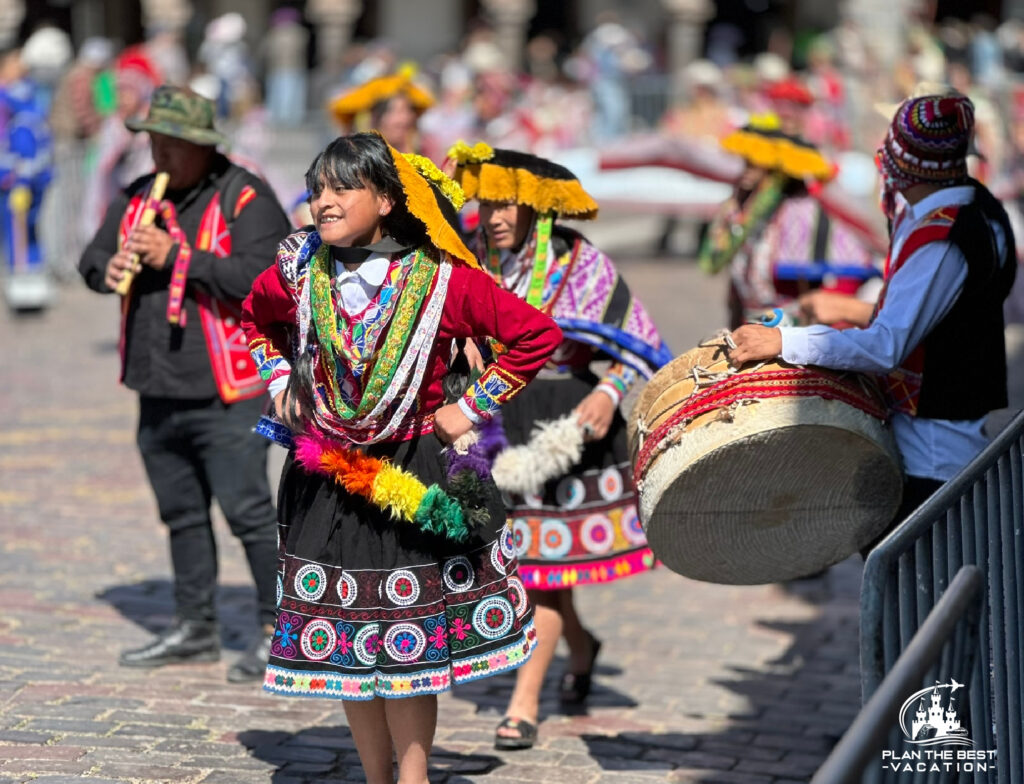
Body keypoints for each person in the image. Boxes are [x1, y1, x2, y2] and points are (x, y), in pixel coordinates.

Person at [240, 132, 562, 784]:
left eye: (341, 189)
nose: (323, 203)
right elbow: (253, 319)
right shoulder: (300, 271)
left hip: (413, 475)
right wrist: (283, 386)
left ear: (386, 199)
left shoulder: (443, 281)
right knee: (353, 653)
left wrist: (469, 411)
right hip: (326, 477)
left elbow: (535, 335)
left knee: (407, 649)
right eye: (316, 190)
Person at [448, 142, 669, 751]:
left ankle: (524, 701)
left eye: (509, 202)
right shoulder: (471, 257)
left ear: (537, 208)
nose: (494, 213)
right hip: (492, 421)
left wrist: (608, 390)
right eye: (487, 199)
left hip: (560, 426)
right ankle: (580, 645)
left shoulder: (579, 262)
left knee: (541, 569)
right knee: (526, 562)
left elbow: (641, 341)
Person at [77, 86, 292, 682]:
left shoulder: (245, 195)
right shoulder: (138, 196)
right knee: (181, 513)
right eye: (154, 142)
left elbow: (267, 278)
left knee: (246, 509)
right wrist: (110, 268)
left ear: (203, 146)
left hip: (229, 387)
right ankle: (195, 626)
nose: (162, 155)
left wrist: (180, 256)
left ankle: (283, 627)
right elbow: (91, 263)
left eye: (174, 144)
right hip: (158, 385)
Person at [728, 94, 1016, 529]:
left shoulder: (942, 237)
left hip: (934, 451)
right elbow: (948, 318)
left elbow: (886, 348)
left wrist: (784, 341)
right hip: (942, 436)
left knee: (921, 582)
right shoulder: (975, 208)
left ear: (902, 160)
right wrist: (847, 307)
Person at [698, 113, 878, 329]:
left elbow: (833, 274)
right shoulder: (740, 206)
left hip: (787, 324)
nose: (746, 171)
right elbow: (739, 271)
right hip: (749, 317)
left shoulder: (799, 212)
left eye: (754, 165)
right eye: (745, 163)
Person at [328, 65, 435, 153]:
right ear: (375, 117)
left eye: (409, 110)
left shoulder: (424, 150)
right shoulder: (360, 161)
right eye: (398, 111)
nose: (405, 118)